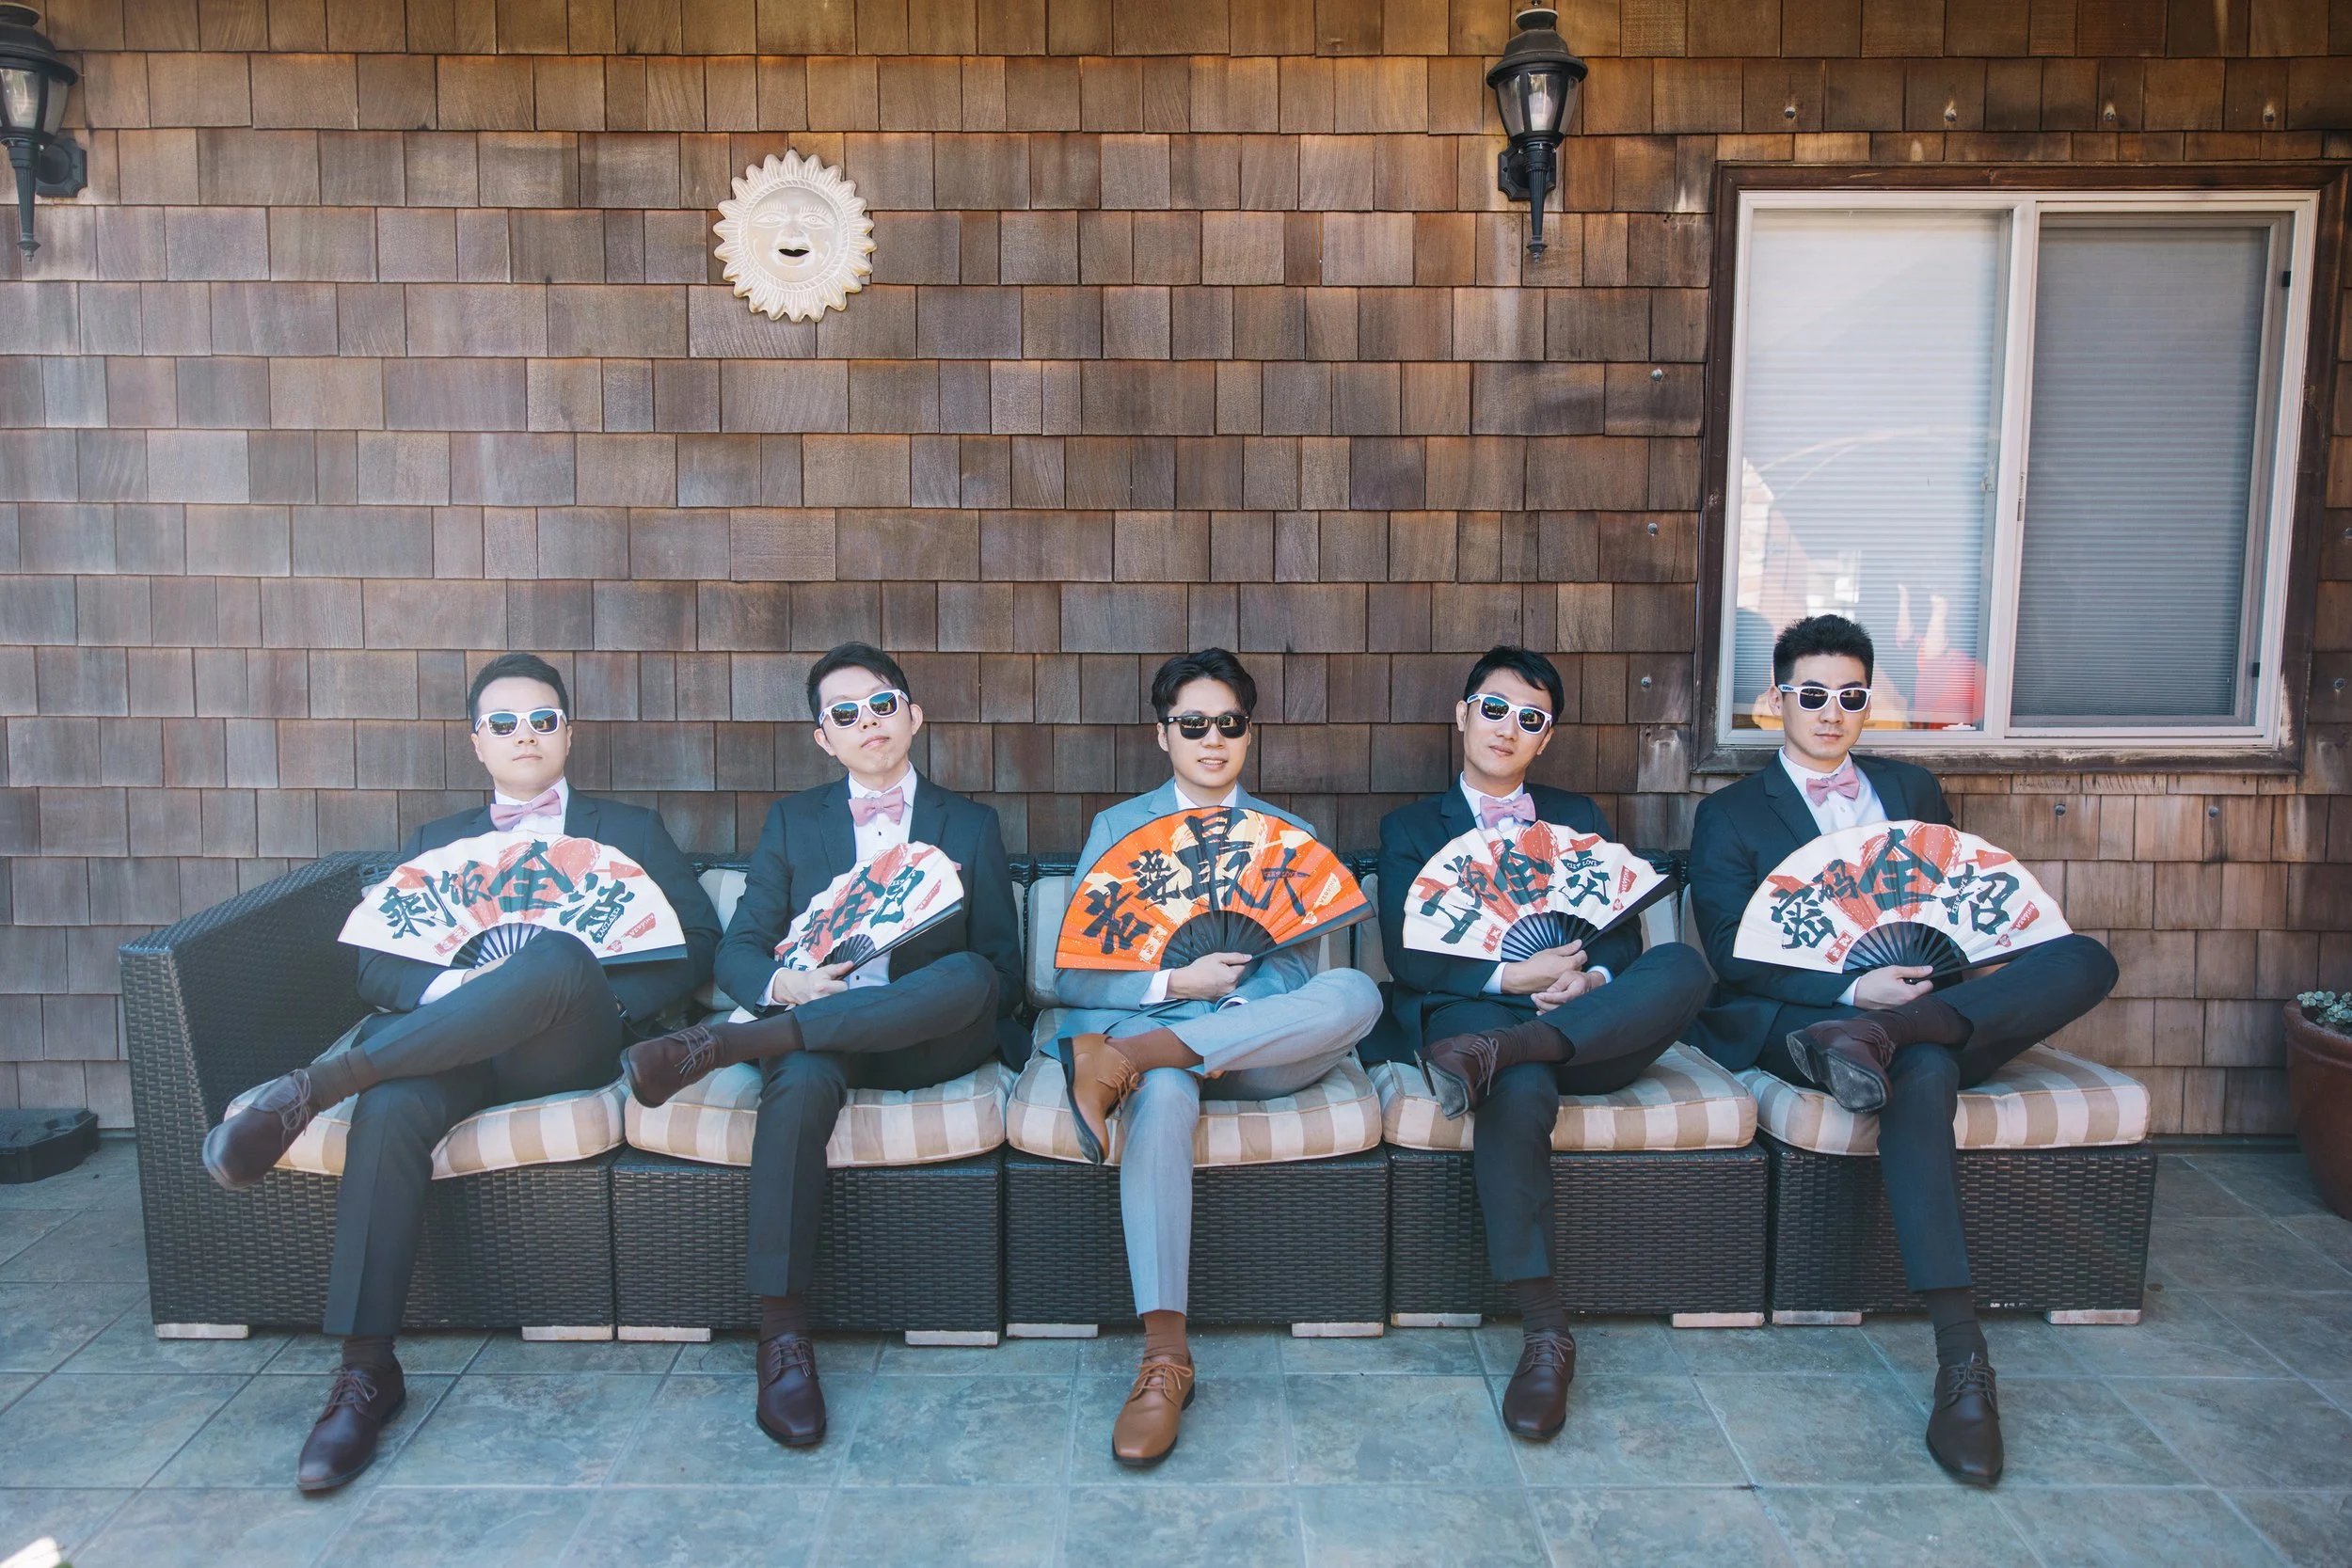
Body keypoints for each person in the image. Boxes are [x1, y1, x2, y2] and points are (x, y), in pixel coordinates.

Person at [201, 653, 722, 1492]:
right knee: (391, 1108)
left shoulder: (631, 829)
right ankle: (365, 1371)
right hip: (448, 1049)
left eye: (543, 720)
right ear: (477, 741)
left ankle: (315, 1087)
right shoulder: (436, 844)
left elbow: (694, 939)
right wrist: (461, 990)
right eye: (504, 723)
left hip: (568, 1042)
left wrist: (606, 996)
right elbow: (376, 964)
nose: (526, 735)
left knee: (555, 955)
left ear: (569, 734)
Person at [1686, 613, 2119, 1487]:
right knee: (1922, 1070)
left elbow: (1954, 906)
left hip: (1931, 1008)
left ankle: (1894, 1035)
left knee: (2084, 956)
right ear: (1776, 701)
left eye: (1851, 695)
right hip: (1815, 1024)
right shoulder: (1729, 814)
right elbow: (1733, 954)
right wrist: (1855, 992)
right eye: (1813, 693)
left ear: (1868, 703)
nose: (1831, 711)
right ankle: (1963, 1357)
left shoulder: (1912, 788)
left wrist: (1932, 986)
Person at [619, 642, 1024, 1450]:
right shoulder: (793, 821)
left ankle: (729, 1045)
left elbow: (1004, 971)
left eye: (881, 703)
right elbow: (739, 950)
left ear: (913, 715)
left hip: (927, 1034)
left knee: (970, 973)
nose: (867, 721)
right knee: (799, 1079)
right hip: (817, 1031)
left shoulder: (971, 823)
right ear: (823, 737)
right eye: (845, 712)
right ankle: (782, 1335)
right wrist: (787, 983)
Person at [1051, 648, 1383, 1467]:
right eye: (1192, 723)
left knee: (1354, 992)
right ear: (1162, 733)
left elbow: (1294, 972)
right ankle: (1165, 1360)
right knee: (1165, 1093)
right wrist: (1178, 980)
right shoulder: (1118, 829)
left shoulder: (1289, 835)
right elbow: (1074, 972)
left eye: (1228, 724)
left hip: (1256, 1041)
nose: (1211, 739)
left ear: (1248, 733)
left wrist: (1233, 1010)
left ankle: (1122, 1058)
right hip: (1165, 1037)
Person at [1374, 645, 1711, 1442]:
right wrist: (1511, 977)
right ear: (1463, 715)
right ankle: (1546, 1331)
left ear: (1546, 736)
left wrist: (1590, 978)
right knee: (1518, 1081)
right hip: (1475, 1019)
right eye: (1494, 709)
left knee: (1683, 965)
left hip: (1588, 1025)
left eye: (1531, 718)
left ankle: (1522, 1045)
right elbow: (1409, 953)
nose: (1508, 728)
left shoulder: (1576, 816)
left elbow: (1622, 936)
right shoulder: (1411, 828)